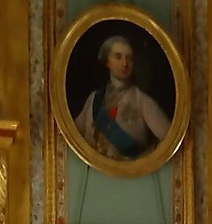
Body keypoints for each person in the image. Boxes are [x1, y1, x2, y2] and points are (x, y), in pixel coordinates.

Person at [73, 32, 171, 161]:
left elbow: (170, 139)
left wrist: (145, 161)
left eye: (129, 58)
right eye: (118, 57)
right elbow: (74, 135)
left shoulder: (142, 100)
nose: (125, 63)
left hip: (129, 173)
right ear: (107, 61)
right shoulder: (94, 98)